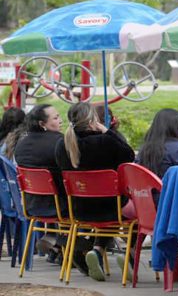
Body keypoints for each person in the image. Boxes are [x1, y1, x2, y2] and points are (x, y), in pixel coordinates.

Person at [55, 103, 135, 281]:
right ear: (92, 120)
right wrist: (107, 131)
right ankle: (130, 256)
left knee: (107, 214)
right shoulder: (105, 141)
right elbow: (129, 155)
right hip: (112, 208)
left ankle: (97, 251)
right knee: (139, 213)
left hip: (78, 211)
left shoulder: (62, 144)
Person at [13, 104, 64, 262]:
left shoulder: (21, 144)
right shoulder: (59, 141)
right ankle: (67, 243)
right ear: (42, 124)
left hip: (32, 205)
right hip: (60, 206)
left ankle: (56, 242)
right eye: (55, 118)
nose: (61, 121)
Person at [136, 109, 178, 179]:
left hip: (147, 188)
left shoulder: (145, 147)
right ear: (174, 128)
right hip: (170, 189)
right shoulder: (177, 149)